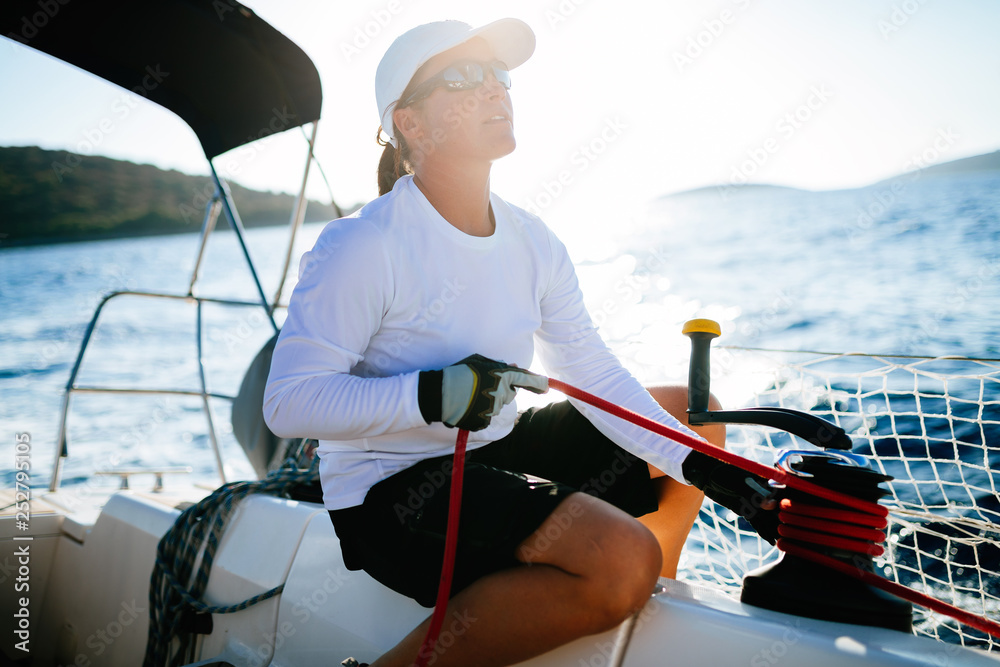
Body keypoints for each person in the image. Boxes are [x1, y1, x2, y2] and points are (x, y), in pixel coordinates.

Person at [264, 18, 777, 667]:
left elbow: (591, 373)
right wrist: (429, 394)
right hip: (388, 493)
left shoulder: (533, 241)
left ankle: (644, 599)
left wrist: (709, 471)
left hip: (494, 448)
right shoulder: (362, 245)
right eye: (461, 78)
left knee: (687, 414)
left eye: (497, 76)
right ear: (410, 123)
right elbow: (289, 402)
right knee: (623, 557)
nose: (493, 91)